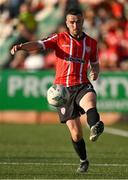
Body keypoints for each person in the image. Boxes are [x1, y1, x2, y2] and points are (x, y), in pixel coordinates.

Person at [10, 8, 104, 173]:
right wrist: (22, 47)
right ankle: (83, 160)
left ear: (83, 22)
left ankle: (95, 125)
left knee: (90, 102)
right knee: (76, 134)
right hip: (63, 91)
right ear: (67, 23)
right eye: (72, 22)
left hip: (82, 84)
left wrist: (95, 70)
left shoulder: (91, 43)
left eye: (78, 21)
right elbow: (39, 44)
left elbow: (95, 62)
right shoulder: (59, 38)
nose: (75, 25)